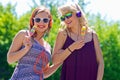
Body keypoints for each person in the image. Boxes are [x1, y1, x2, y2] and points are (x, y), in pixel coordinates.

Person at [52, 3, 104, 80]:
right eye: (63, 18)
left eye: (68, 15)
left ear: (78, 14)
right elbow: (55, 60)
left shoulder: (93, 35)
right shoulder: (63, 34)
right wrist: (72, 47)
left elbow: (100, 62)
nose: (66, 19)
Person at [7, 6, 59, 80]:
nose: (41, 22)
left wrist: (60, 62)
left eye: (45, 20)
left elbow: (44, 73)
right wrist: (25, 49)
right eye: (38, 19)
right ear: (33, 21)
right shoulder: (23, 34)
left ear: (49, 22)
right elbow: (10, 59)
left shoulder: (48, 47)